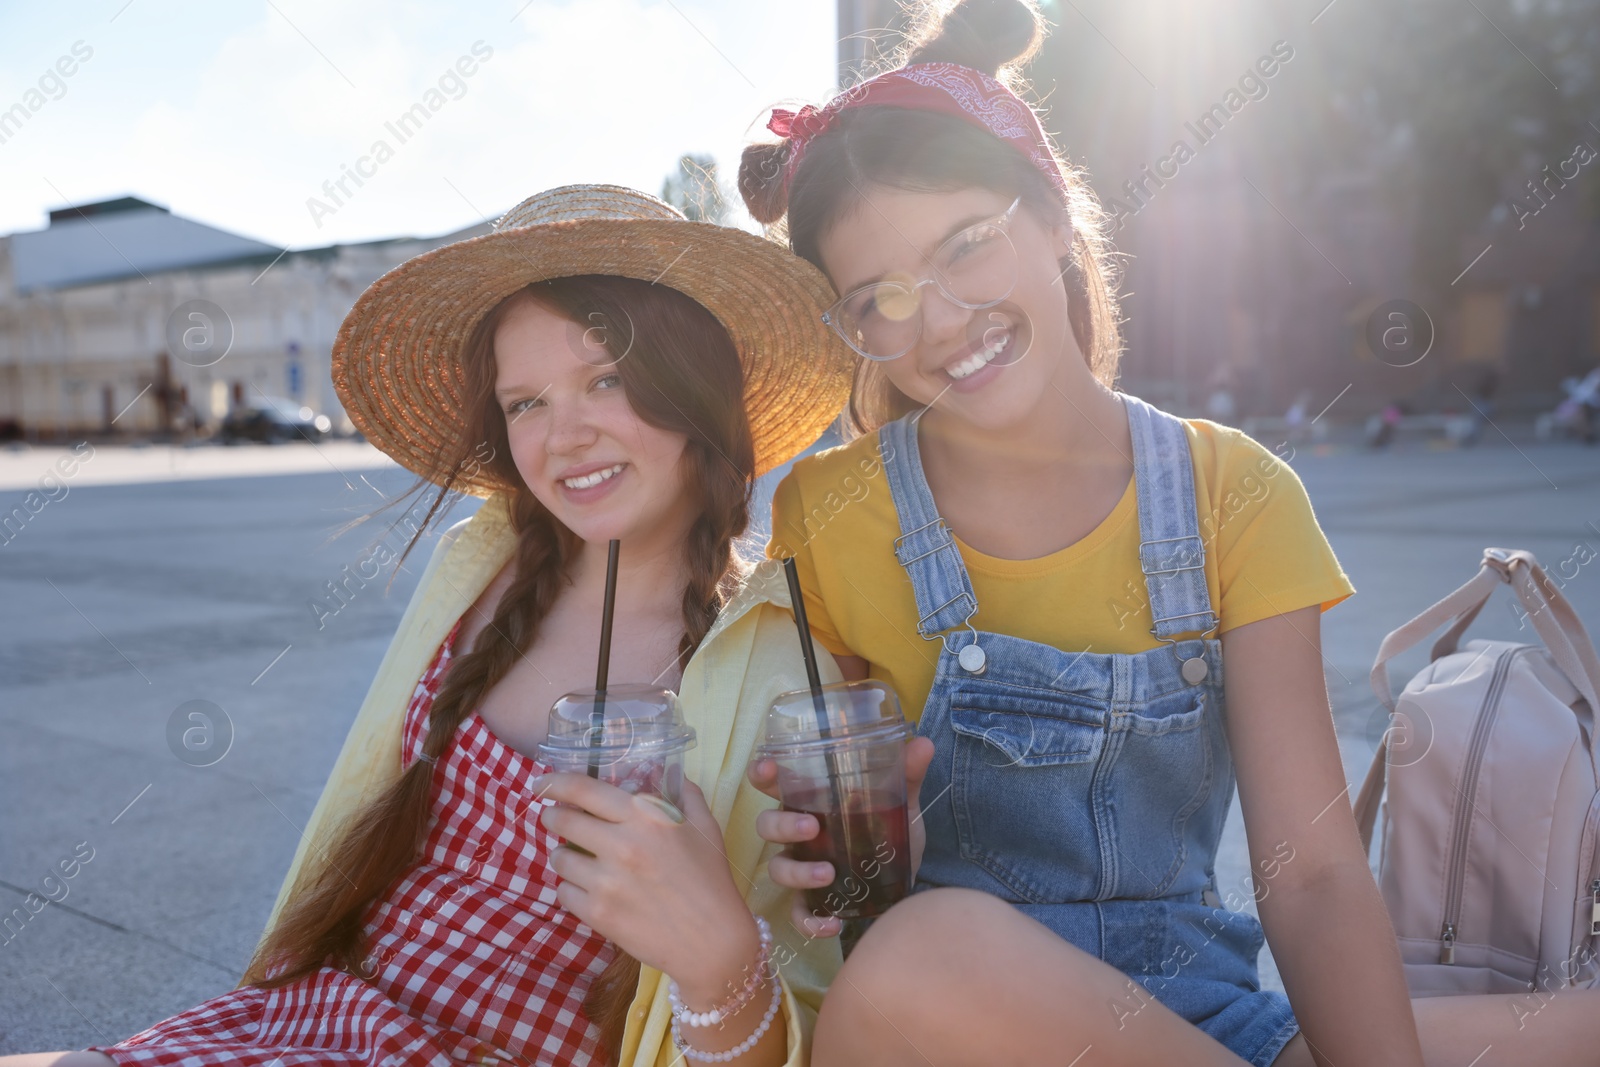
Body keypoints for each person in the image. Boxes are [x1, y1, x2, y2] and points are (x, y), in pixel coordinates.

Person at [736, 3, 1600, 1065]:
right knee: (925, 945)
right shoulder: (822, 512)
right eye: (880, 299)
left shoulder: (1233, 489)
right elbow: (840, 843)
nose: (944, 318)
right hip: (953, 1023)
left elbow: (1316, 874)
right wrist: (878, 857)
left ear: (1054, 214)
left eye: (968, 243)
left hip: (1198, 1019)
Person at [3, 185, 854, 1067]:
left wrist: (721, 965)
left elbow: (801, 1015)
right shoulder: (479, 567)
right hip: (304, 1016)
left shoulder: (777, 672)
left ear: (695, 387)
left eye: (606, 378)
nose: (564, 436)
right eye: (525, 402)